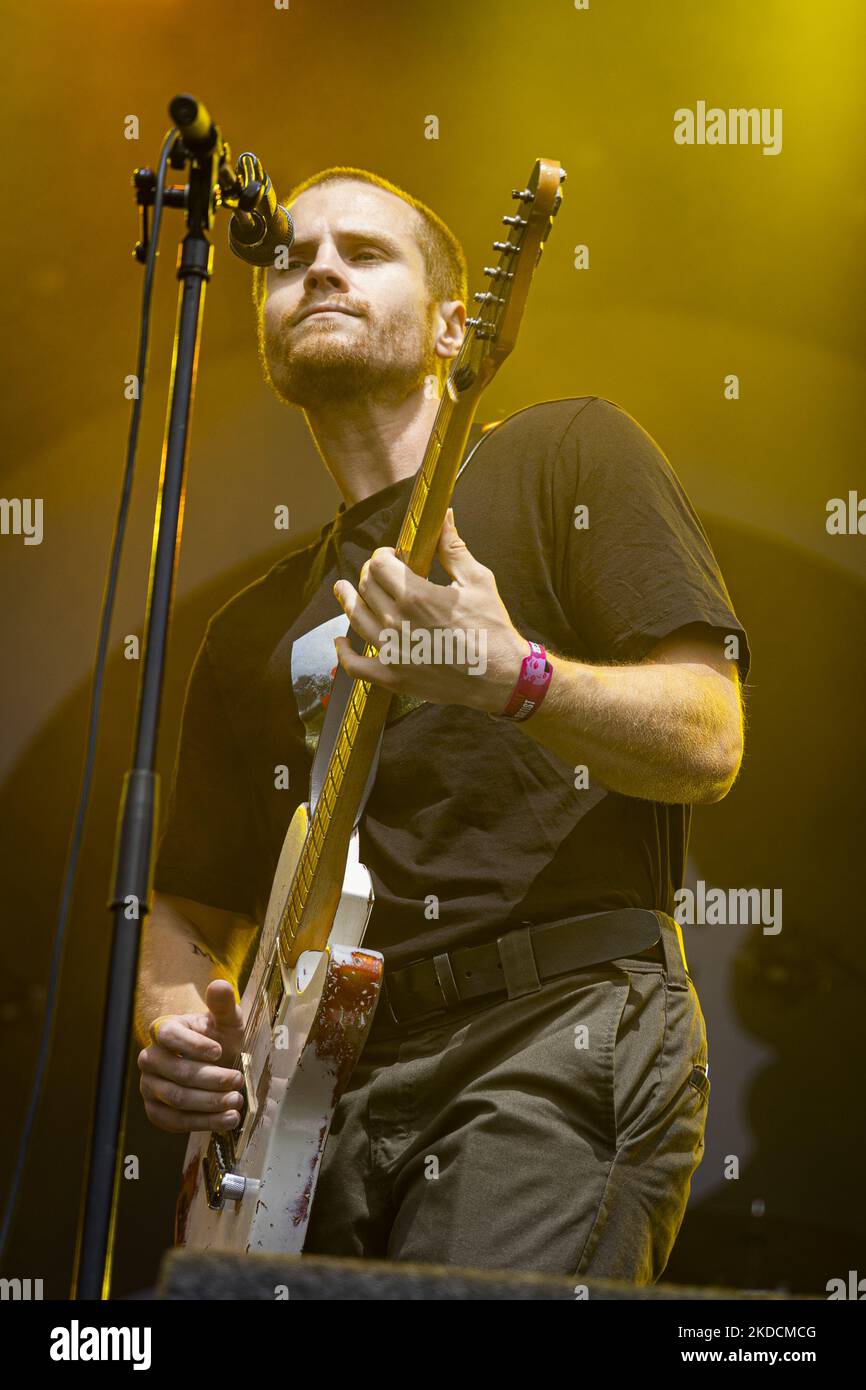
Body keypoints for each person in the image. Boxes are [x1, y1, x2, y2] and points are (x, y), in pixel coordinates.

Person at [135, 165, 751, 1284]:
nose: (315, 266)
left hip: (548, 1035)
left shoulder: (566, 454)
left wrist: (517, 679)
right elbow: (187, 900)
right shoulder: (247, 628)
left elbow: (708, 738)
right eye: (286, 260)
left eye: (362, 253)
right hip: (320, 1092)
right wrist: (175, 1026)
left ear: (453, 325)